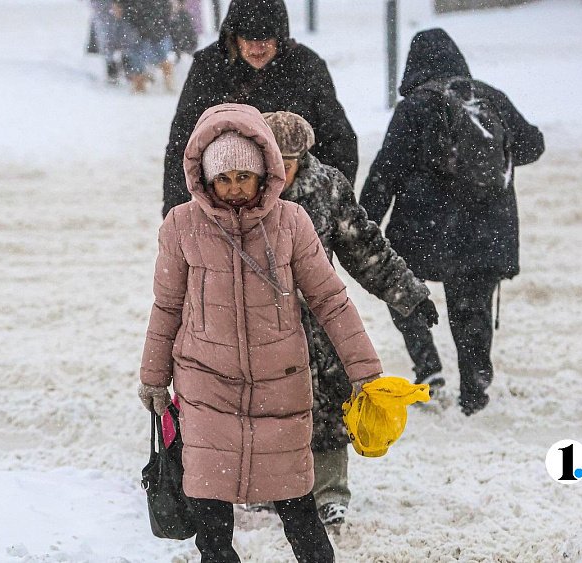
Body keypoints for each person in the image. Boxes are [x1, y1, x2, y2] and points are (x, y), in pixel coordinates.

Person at [139, 103, 384, 563]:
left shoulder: (291, 222)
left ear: (265, 172)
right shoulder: (182, 225)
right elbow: (167, 306)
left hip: (281, 386)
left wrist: (365, 372)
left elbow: (331, 300)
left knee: (297, 508)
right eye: (223, 179)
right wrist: (153, 377)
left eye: (243, 178)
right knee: (211, 516)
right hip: (206, 385)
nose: (233, 190)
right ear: (205, 178)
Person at [260, 111, 438, 526]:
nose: (279, 176)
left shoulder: (327, 188)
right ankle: (265, 488)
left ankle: (331, 494)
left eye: (287, 166)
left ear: (303, 159)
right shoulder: (243, 189)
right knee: (264, 406)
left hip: (319, 322)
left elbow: (365, 247)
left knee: (327, 404)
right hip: (260, 323)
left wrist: (409, 294)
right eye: (273, 165)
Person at [359, 29, 545, 417]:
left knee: (400, 289)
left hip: (425, 230)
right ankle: (475, 392)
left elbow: (385, 171)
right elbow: (532, 145)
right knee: (471, 311)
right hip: (487, 232)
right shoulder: (488, 96)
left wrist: (364, 224)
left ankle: (428, 368)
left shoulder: (416, 106)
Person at [161, 0, 357, 218]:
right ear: (233, 37)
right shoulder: (209, 68)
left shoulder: (306, 66)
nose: (257, 49)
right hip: (228, 205)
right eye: (248, 39)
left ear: (280, 36)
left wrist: (333, 206)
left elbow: (339, 140)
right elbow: (183, 142)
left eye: (265, 39)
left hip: (296, 209)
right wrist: (175, 212)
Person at [114, 0, 175, 93]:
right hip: (138, 15)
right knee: (139, 50)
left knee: (157, 49)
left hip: (151, 15)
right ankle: (140, 81)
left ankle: (165, 79)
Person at [87, 0, 125, 84]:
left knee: (116, 35)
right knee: (107, 36)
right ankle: (112, 66)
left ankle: (116, 65)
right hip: (103, 8)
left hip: (113, 8)